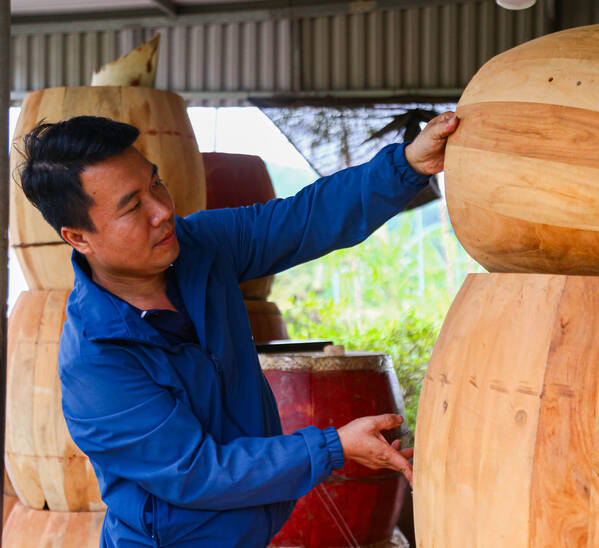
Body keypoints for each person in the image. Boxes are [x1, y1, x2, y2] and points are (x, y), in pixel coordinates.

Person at [18, 111, 459, 547]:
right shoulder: (97, 363)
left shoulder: (200, 247)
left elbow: (302, 220)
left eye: (155, 183)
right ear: (78, 237)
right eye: (132, 206)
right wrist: (333, 447)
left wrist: (407, 166)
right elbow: (198, 472)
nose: (162, 210)